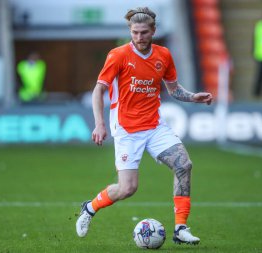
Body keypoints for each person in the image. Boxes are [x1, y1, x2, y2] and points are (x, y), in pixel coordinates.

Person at [75, 7, 213, 245]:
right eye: (135, 32)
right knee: (127, 189)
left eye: (144, 33)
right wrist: (99, 124)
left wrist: (193, 97)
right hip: (127, 129)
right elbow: (99, 90)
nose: (139, 37)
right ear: (130, 31)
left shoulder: (163, 56)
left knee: (183, 165)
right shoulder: (118, 55)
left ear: (153, 31)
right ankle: (90, 207)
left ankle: (180, 228)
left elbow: (173, 89)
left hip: (154, 125)